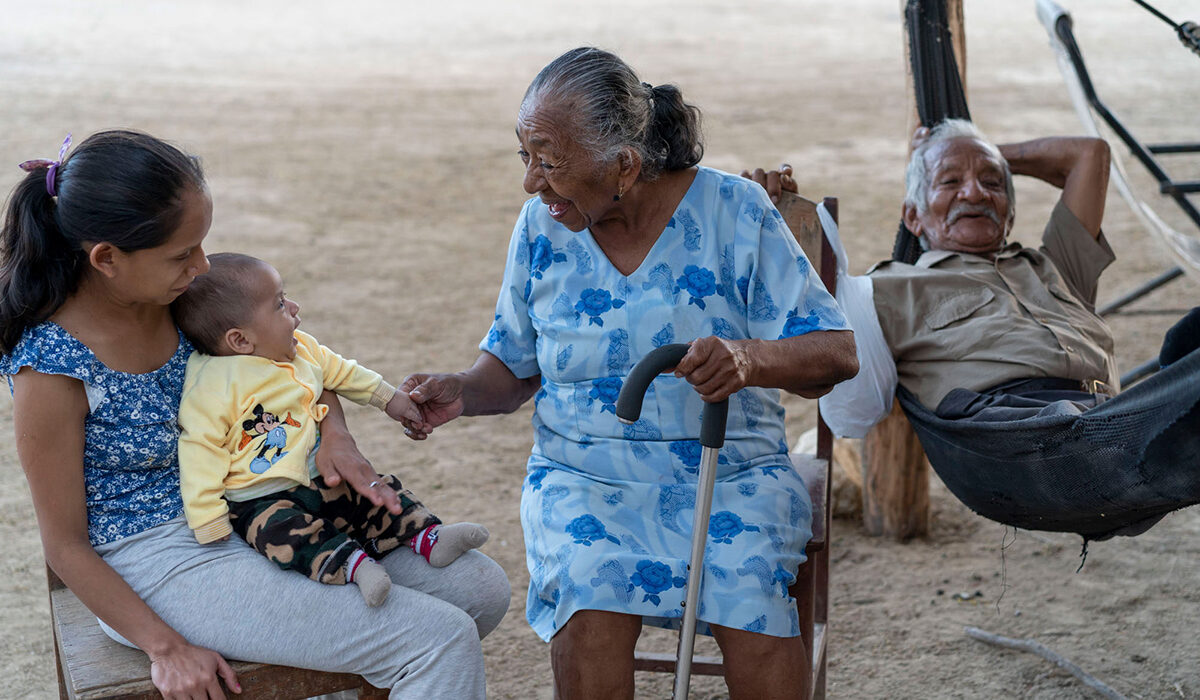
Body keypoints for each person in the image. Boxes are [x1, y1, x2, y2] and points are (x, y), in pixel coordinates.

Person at [397, 47, 859, 699]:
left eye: (549, 161)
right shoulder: (541, 227)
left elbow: (836, 353)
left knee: (747, 583)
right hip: (582, 475)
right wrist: (461, 391)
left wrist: (749, 359)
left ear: (625, 165)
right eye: (524, 156)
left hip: (727, 467)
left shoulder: (736, 210)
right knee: (588, 589)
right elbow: (511, 370)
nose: (531, 181)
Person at [0, 130, 509, 699]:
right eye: (181, 253)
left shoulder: (183, 298)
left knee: (478, 590)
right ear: (107, 259)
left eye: (201, 244)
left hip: (265, 503)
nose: (201, 264)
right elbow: (64, 546)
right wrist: (165, 647)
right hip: (161, 559)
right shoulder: (51, 370)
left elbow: (293, 357)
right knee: (436, 638)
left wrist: (333, 432)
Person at [171, 252, 490, 607]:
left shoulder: (300, 348)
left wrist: (394, 401)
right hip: (259, 498)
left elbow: (345, 373)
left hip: (324, 478)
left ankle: (428, 535)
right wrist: (209, 521)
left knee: (375, 496)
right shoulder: (211, 387)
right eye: (279, 304)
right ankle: (355, 568)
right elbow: (200, 450)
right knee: (285, 536)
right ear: (240, 341)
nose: (293, 306)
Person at [753, 118, 1126, 419]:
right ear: (914, 216)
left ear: (1011, 214)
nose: (975, 193)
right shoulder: (884, 289)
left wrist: (981, 153)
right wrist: (774, 225)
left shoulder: (1056, 264)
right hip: (1014, 432)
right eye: (950, 181)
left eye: (992, 182)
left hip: (1112, 416)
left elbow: (1090, 154)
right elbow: (834, 389)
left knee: (1186, 348)